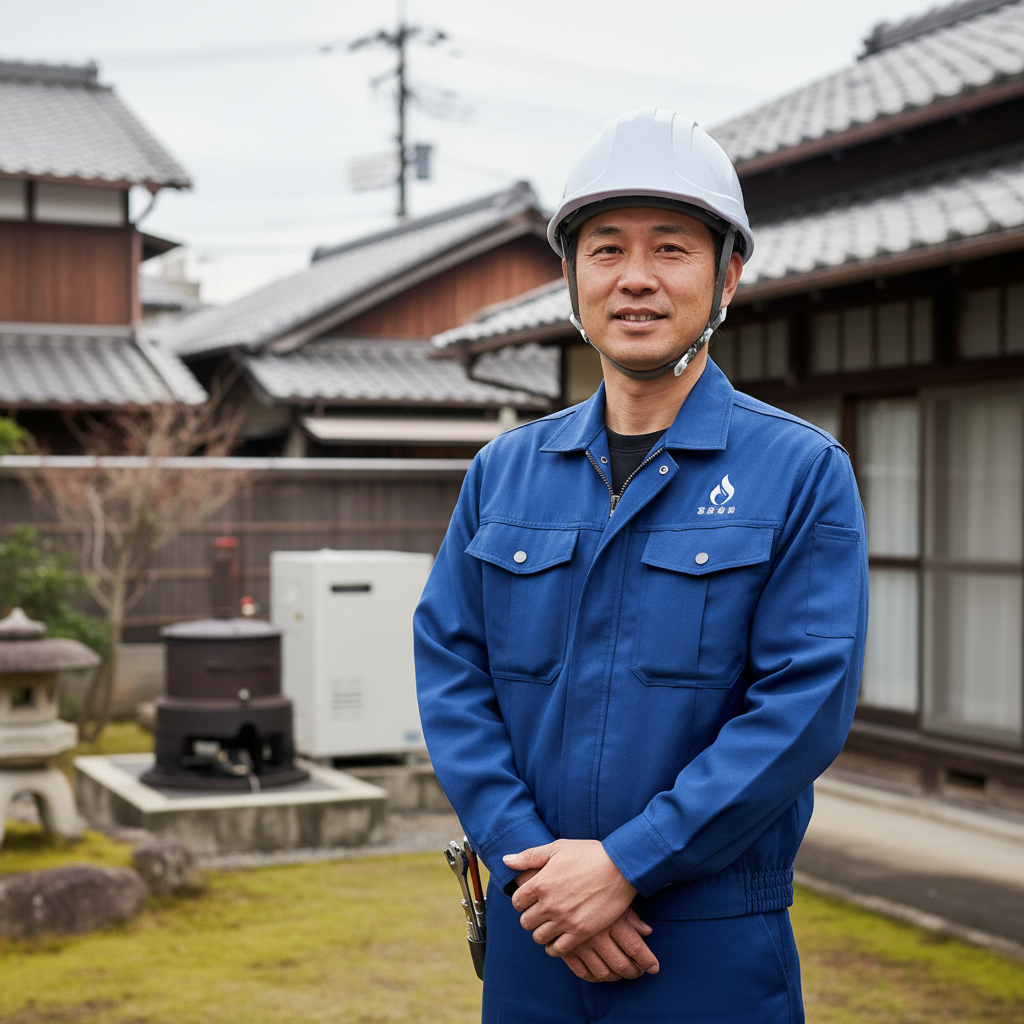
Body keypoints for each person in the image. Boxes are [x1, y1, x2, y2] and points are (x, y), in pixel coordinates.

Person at [414, 107, 868, 1023]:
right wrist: (534, 865)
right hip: (533, 923)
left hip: (703, 937)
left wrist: (628, 864)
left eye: (671, 249)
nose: (636, 279)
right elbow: (452, 674)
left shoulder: (800, 471)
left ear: (728, 276)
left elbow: (801, 704)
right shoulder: (504, 472)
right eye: (607, 249)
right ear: (573, 279)